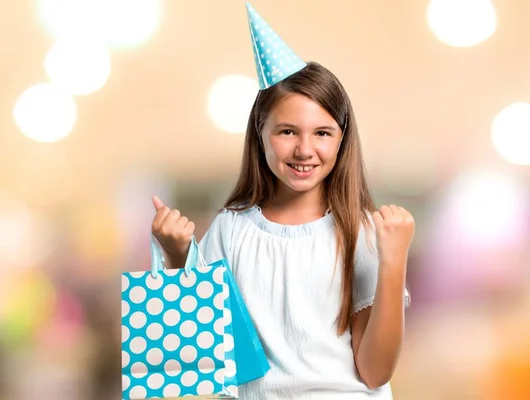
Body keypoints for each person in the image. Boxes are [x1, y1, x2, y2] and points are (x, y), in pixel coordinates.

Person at [150, 3, 413, 399]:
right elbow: (204, 354)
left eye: (322, 133)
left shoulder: (359, 232)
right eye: (287, 131)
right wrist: (178, 258)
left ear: (342, 140)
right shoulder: (232, 228)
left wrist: (393, 261)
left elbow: (375, 372)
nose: (305, 149)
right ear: (260, 133)